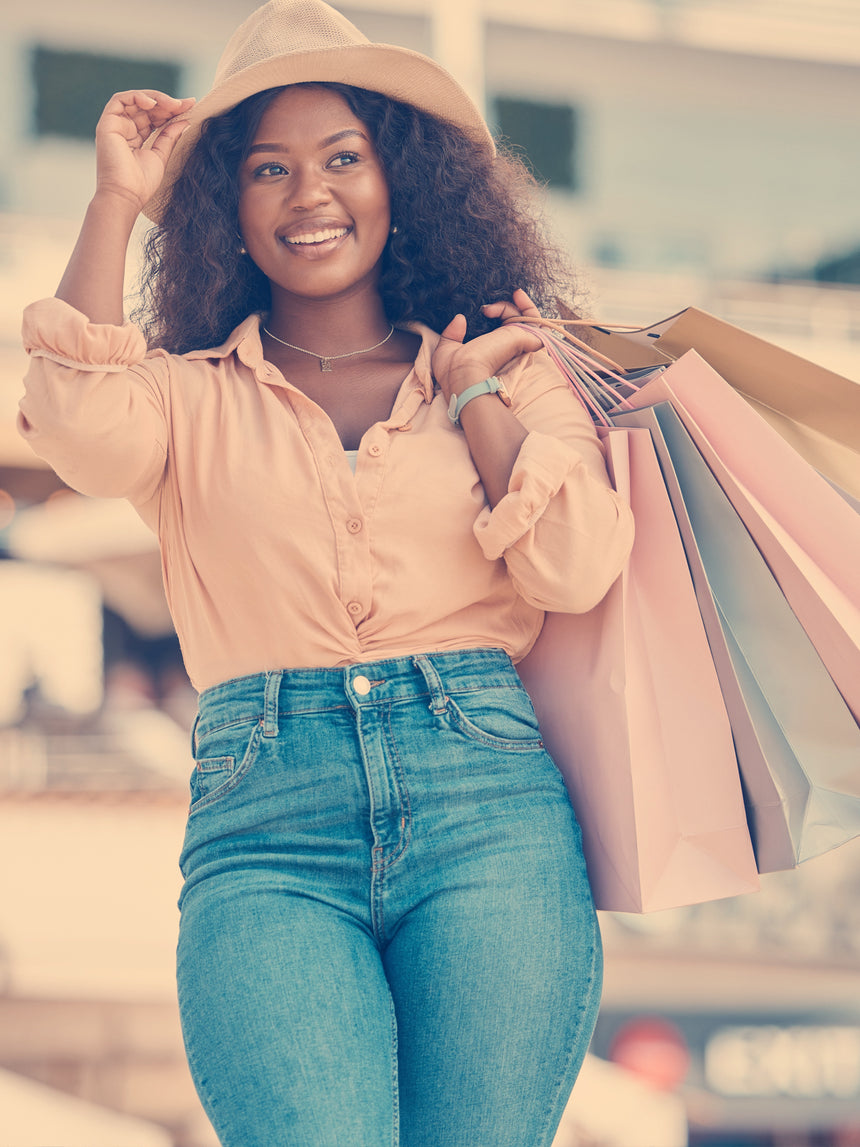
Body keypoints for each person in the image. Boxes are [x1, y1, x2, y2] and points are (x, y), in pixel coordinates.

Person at [19, 1, 634, 1144]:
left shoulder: (509, 365)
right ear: (223, 209)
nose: (310, 194)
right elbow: (73, 423)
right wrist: (116, 200)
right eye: (267, 169)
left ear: (398, 178)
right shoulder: (186, 397)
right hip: (267, 830)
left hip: (488, 813)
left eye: (341, 157)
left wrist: (474, 398)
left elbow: (577, 562)